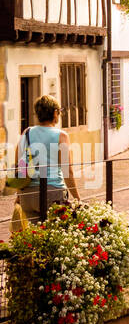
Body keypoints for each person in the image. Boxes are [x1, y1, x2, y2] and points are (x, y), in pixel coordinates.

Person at [13, 95, 81, 229]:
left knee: (36, 236)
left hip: (28, 194)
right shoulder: (61, 136)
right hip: (52, 192)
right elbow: (68, 171)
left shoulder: (26, 133)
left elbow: (19, 167)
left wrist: (19, 193)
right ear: (55, 113)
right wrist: (77, 197)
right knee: (56, 235)